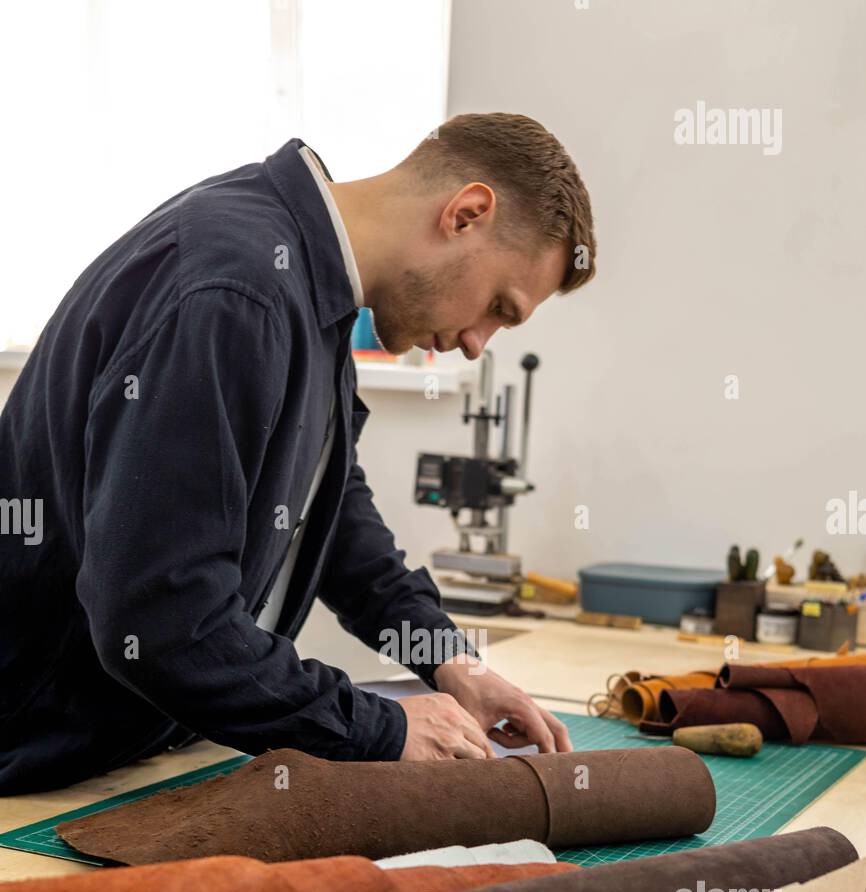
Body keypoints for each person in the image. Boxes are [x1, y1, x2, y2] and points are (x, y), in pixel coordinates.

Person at [0, 112, 595, 793]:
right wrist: (382, 728)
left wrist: (453, 662)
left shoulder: (307, 285)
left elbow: (331, 514)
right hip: (28, 761)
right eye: (500, 305)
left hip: (114, 749)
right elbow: (163, 621)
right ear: (466, 214)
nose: (476, 343)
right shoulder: (239, 290)